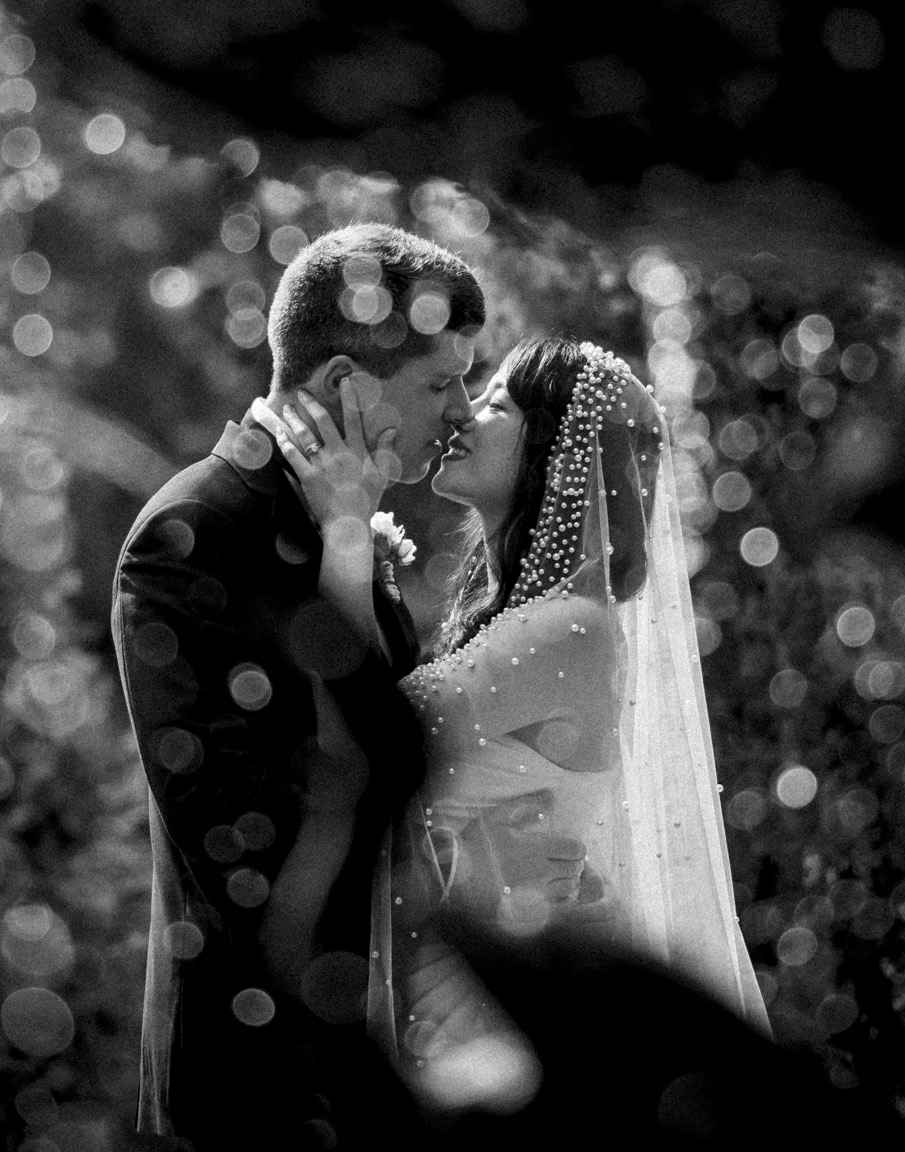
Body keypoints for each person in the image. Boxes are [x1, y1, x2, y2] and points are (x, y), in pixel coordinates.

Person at [263, 334, 768, 1114]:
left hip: (484, 1006)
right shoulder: (515, 620)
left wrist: (344, 525)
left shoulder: (567, 628)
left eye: (498, 402)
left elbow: (366, 741)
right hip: (457, 976)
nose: (465, 413)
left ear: (559, 459)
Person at [110, 223, 485, 1150]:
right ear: (344, 385)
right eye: (440, 383)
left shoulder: (346, 522)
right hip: (263, 1075)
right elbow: (230, 830)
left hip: (376, 1053)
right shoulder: (192, 532)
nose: (463, 413)